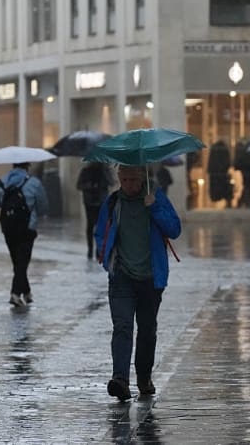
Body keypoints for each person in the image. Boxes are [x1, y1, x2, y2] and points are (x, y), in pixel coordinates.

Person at [94, 165, 181, 401]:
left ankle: (144, 377)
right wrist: (107, 260)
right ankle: (120, 379)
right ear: (119, 179)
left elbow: (174, 229)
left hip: (151, 278)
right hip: (121, 276)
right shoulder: (113, 203)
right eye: (125, 180)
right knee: (122, 327)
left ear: (142, 178)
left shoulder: (156, 197)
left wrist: (155, 208)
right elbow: (100, 232)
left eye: (133, 179)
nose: (129, 184)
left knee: (147, 330)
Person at [0, 162, 49, 307]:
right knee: (22, 261)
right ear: (27, 167)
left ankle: (27, 292)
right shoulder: (34, 183)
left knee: (17, 261)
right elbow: (43, 207)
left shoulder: (2, 182)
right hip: (27, 228)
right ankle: (15, 293)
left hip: (8, 227)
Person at [76, 162, 114, 259]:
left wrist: (104, 172)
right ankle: (90, 249)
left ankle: (99, 249)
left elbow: (111, 182)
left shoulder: (105, 171)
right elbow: (79, 185)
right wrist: (89, 186)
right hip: (89, 202)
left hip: (101, 202)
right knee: (90, 225)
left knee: (100, 226)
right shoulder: (86, 171)